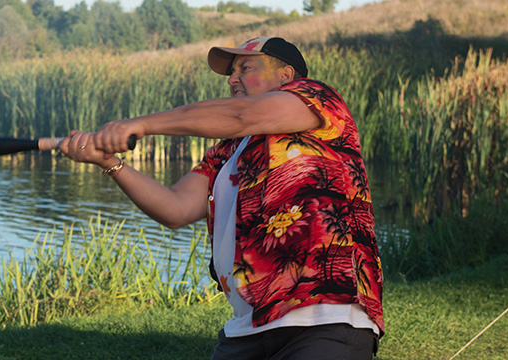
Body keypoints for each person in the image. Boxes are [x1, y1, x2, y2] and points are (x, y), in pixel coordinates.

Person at [60, 36, 384, 359]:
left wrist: (140, 125)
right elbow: (175, 208)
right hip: (247, 329)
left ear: (286, 75)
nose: (232, 79)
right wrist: (111, 164)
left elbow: (241, 114)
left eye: (245, 67)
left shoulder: (316, 98)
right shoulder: (227, 149)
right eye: (231, 72)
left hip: (325, 317)